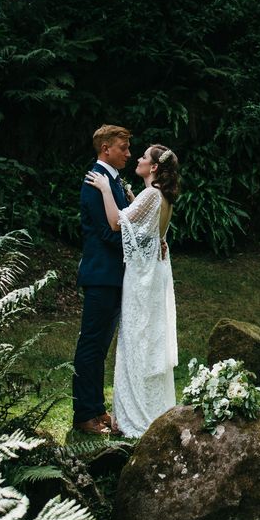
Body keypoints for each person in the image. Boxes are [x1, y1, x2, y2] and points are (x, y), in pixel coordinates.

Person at [85, 143, 181, 438]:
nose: (136, 159)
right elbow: (149, 233)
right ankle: (151, 408)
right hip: (154, 276)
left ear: (153, 168)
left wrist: (103, 189)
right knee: (147, 339)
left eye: (143, 157)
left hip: (141, 280)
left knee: (135, 339)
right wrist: (129, 196)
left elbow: (116, 223)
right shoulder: (161, 197)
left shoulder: (152, 195)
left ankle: (133, 417)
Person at [72, 124, 132, 435]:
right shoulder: (95, 181)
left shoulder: (113, 181)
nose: (128, 153)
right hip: (101, 275)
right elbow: (109, 233)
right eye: (123, 148)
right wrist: (140, 245)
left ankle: (96, 409)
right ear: (106, 148)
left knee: (100, 347)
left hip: (113, 276)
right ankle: (83, 414)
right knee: (91, 346)